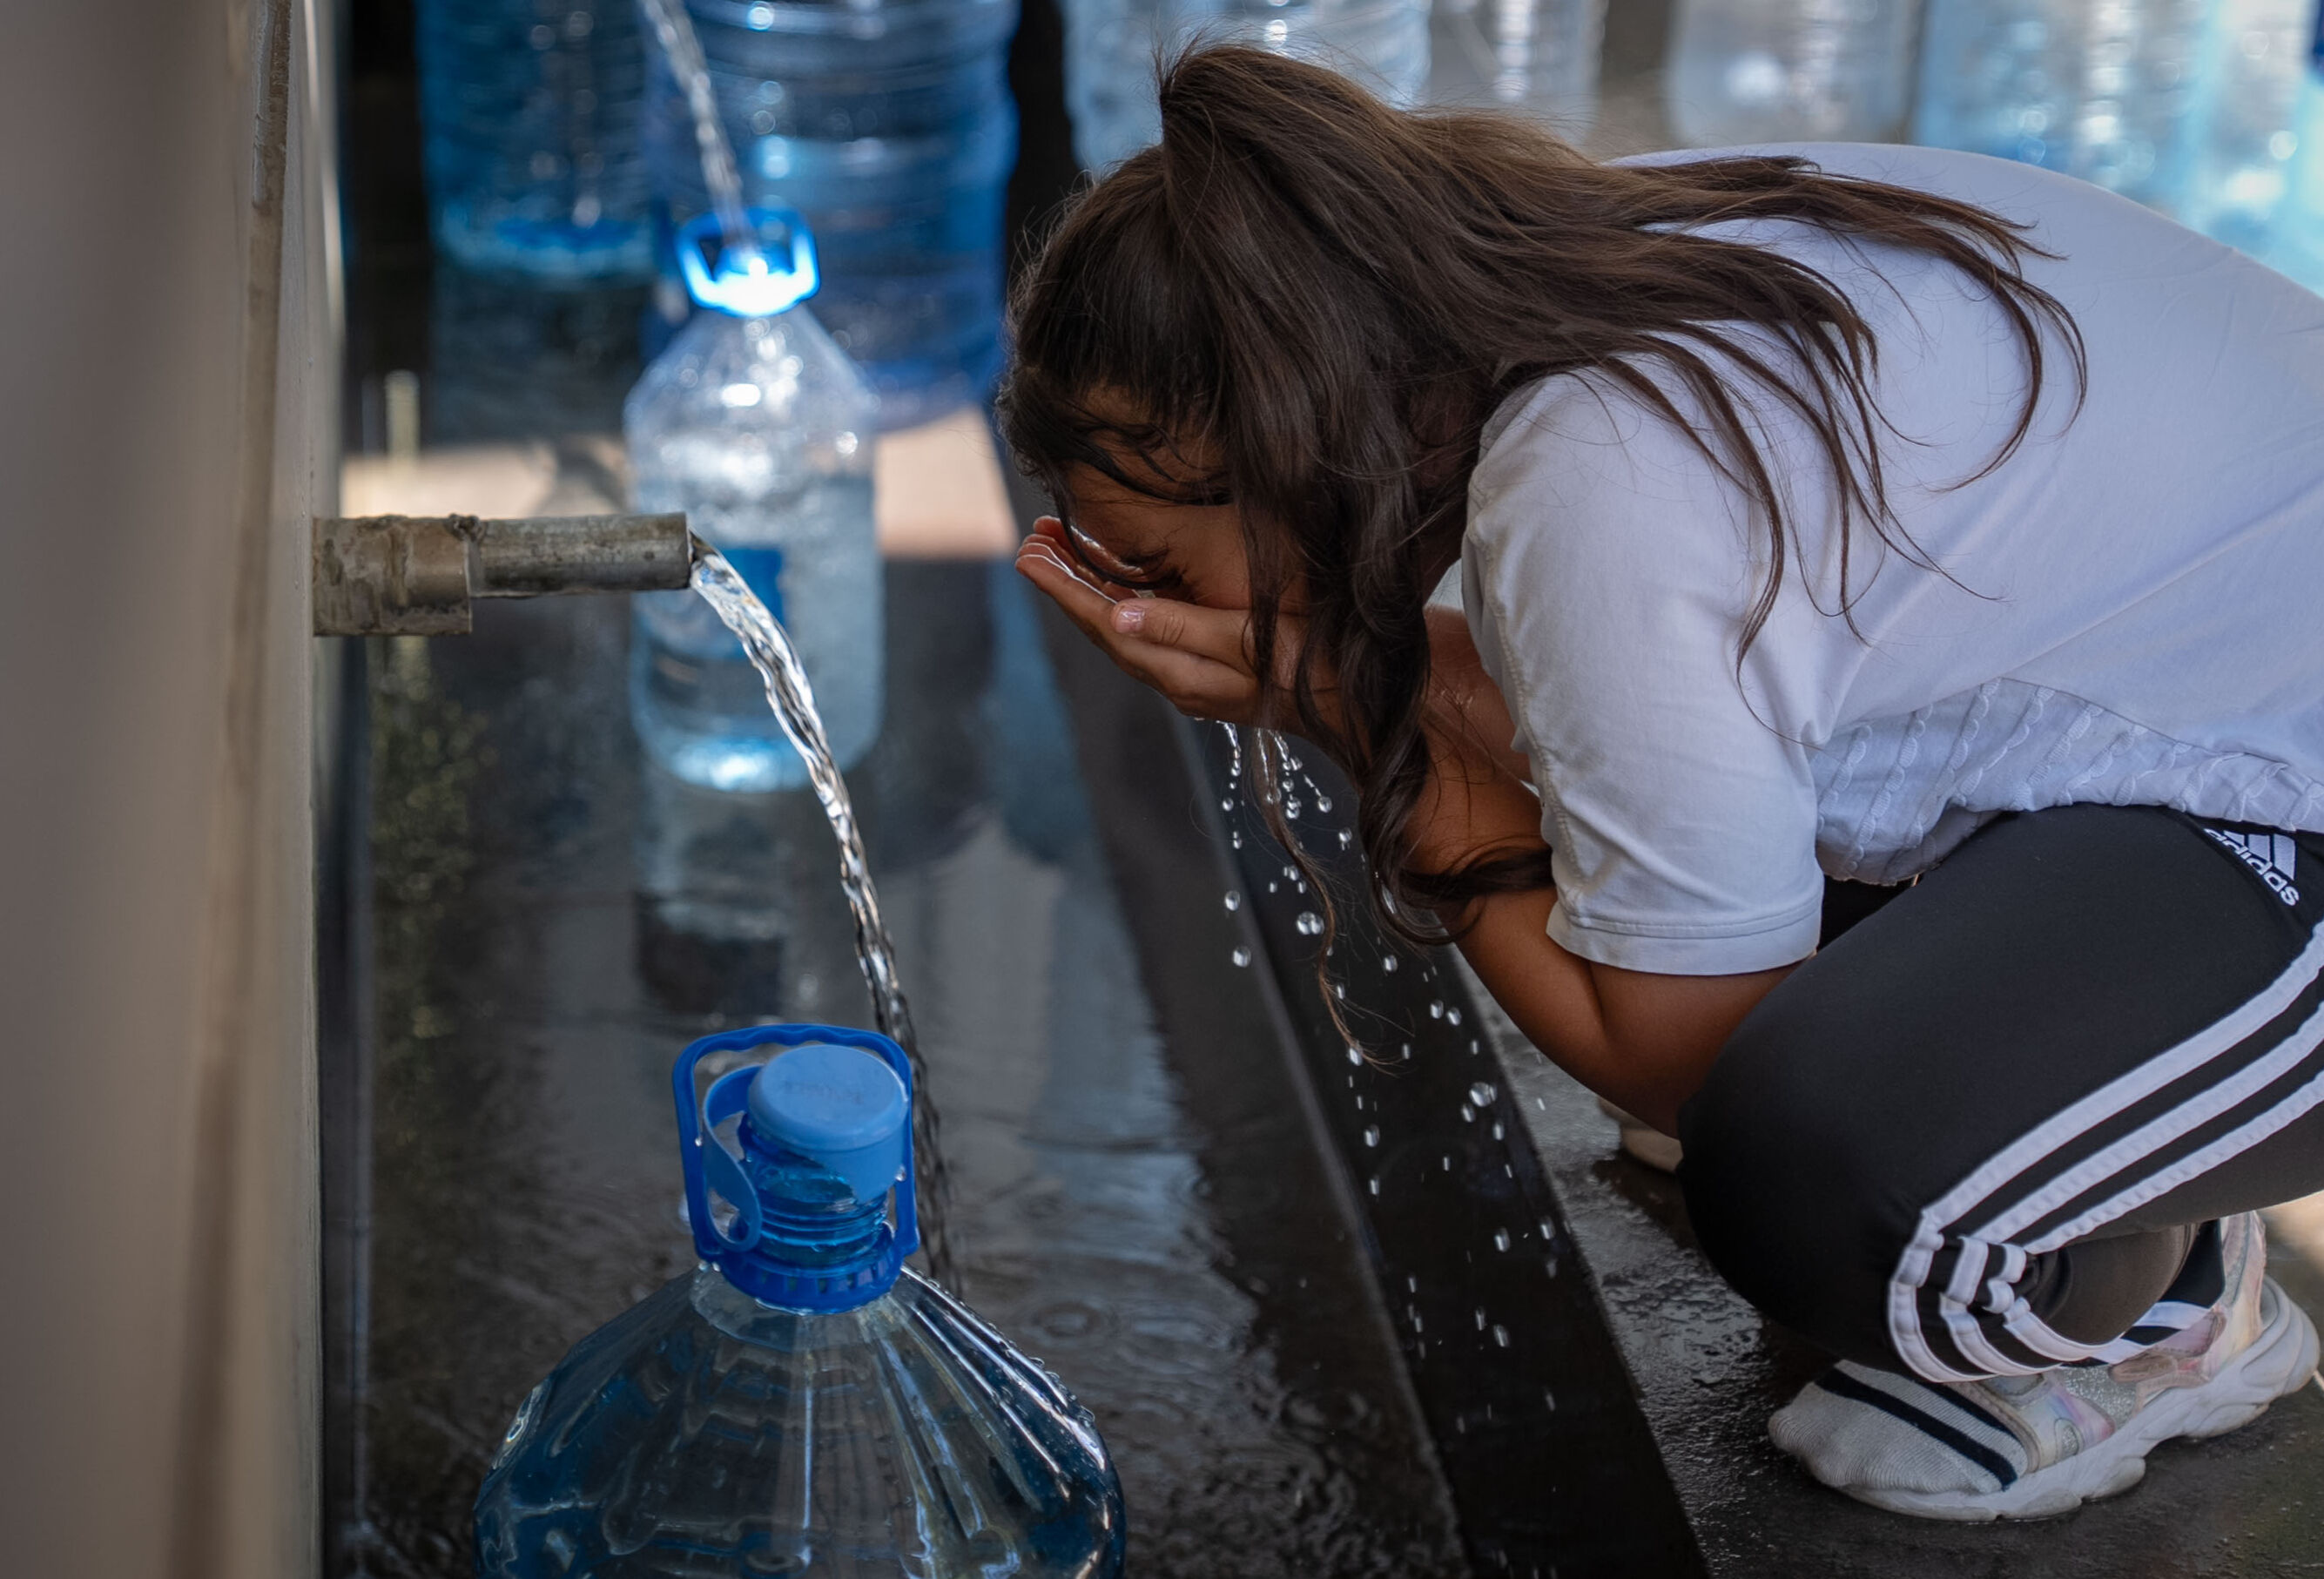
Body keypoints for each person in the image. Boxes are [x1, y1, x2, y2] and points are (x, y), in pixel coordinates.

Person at [999, 44, 2324, 1520]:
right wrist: (1360, 666)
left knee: (1823, 1175)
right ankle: (2086, 1098)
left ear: (1287, 443)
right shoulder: (1582, 266)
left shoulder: (1596, 477)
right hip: (2206, 718)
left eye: (1169, 567)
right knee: (1678, 852)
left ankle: (2158, 1296)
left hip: (2291, 812)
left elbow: (1686, 1066)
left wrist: (1349, 711)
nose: (1163, 607)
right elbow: (1645, 720)